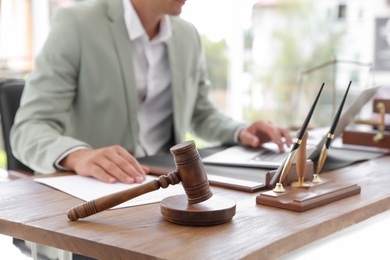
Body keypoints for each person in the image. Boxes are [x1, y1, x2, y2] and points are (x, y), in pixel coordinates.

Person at [11, 0, 292, 186]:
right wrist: (78, 155)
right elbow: (28, 129)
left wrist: (241, 131)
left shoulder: (187, 35)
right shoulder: (76, 24)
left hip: (167, 186)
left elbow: (202, 114)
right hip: (98, 193)